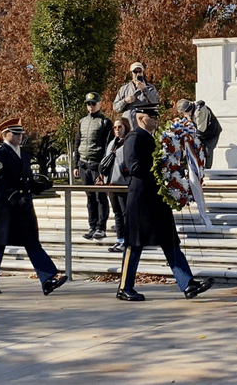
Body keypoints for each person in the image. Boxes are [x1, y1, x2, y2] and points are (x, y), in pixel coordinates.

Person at [116, 103, 214, 302]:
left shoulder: (155, 139)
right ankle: (124, 287)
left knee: (170, 242)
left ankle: (187, 283)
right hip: (141, 198)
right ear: (142, 118)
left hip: (157, 198)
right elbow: (134, 167)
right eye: (152, 116)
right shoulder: (134, 137)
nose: (155, 119)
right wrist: (163, 168)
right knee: (134, 244)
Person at [0, 118, 67, 295]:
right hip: (5, 206)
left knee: (32, 242)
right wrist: (15, 197)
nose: (20, 137)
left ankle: (48, 279)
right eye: (16, 133)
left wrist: (39, 186)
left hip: (24, 206)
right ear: (5, 134)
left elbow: (26, 180)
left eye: (21, 134)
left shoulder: (24, 155)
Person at [72, 92, 112, 241]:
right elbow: (78, 143)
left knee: (100, 196)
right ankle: (92, 225)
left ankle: (101, 227)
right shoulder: (82, 121)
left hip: (98, 165)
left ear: (99, 104)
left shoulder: (105, 122)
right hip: (84, 164)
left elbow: (108, 146)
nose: (90, 106)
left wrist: (105, 167)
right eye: (88, 104)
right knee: (90, 198)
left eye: (93, 103)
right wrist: (76, 164)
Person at [102, 117, 132, 253]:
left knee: (126, 213)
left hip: (124, 183)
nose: (117, 130)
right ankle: (120, 239)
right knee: (117, 213)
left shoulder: (129, 143)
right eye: (115, 128)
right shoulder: (111, 144)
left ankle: (127, 239)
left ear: (126, 127)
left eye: (120, 127)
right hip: (111, 183)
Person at [176, 99, 222, 169]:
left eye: (184, 112)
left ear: (187, 110)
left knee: (207, 151)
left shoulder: (200, 112)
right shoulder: (191, 111)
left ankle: (207, 170)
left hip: (212, 133)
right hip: (202, 134)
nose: (184, 115)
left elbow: (201, 129)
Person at [113, 62, 159, 131]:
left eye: (139, 71)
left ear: (143, 73)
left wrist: (145, 89)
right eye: (135, 72)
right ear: (131, 73)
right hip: (128, 126)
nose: (137, 74)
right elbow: (115, 107)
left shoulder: (150, 88)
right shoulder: (124, 89)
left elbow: (155, 102)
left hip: (144, 126)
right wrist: (125, 101)